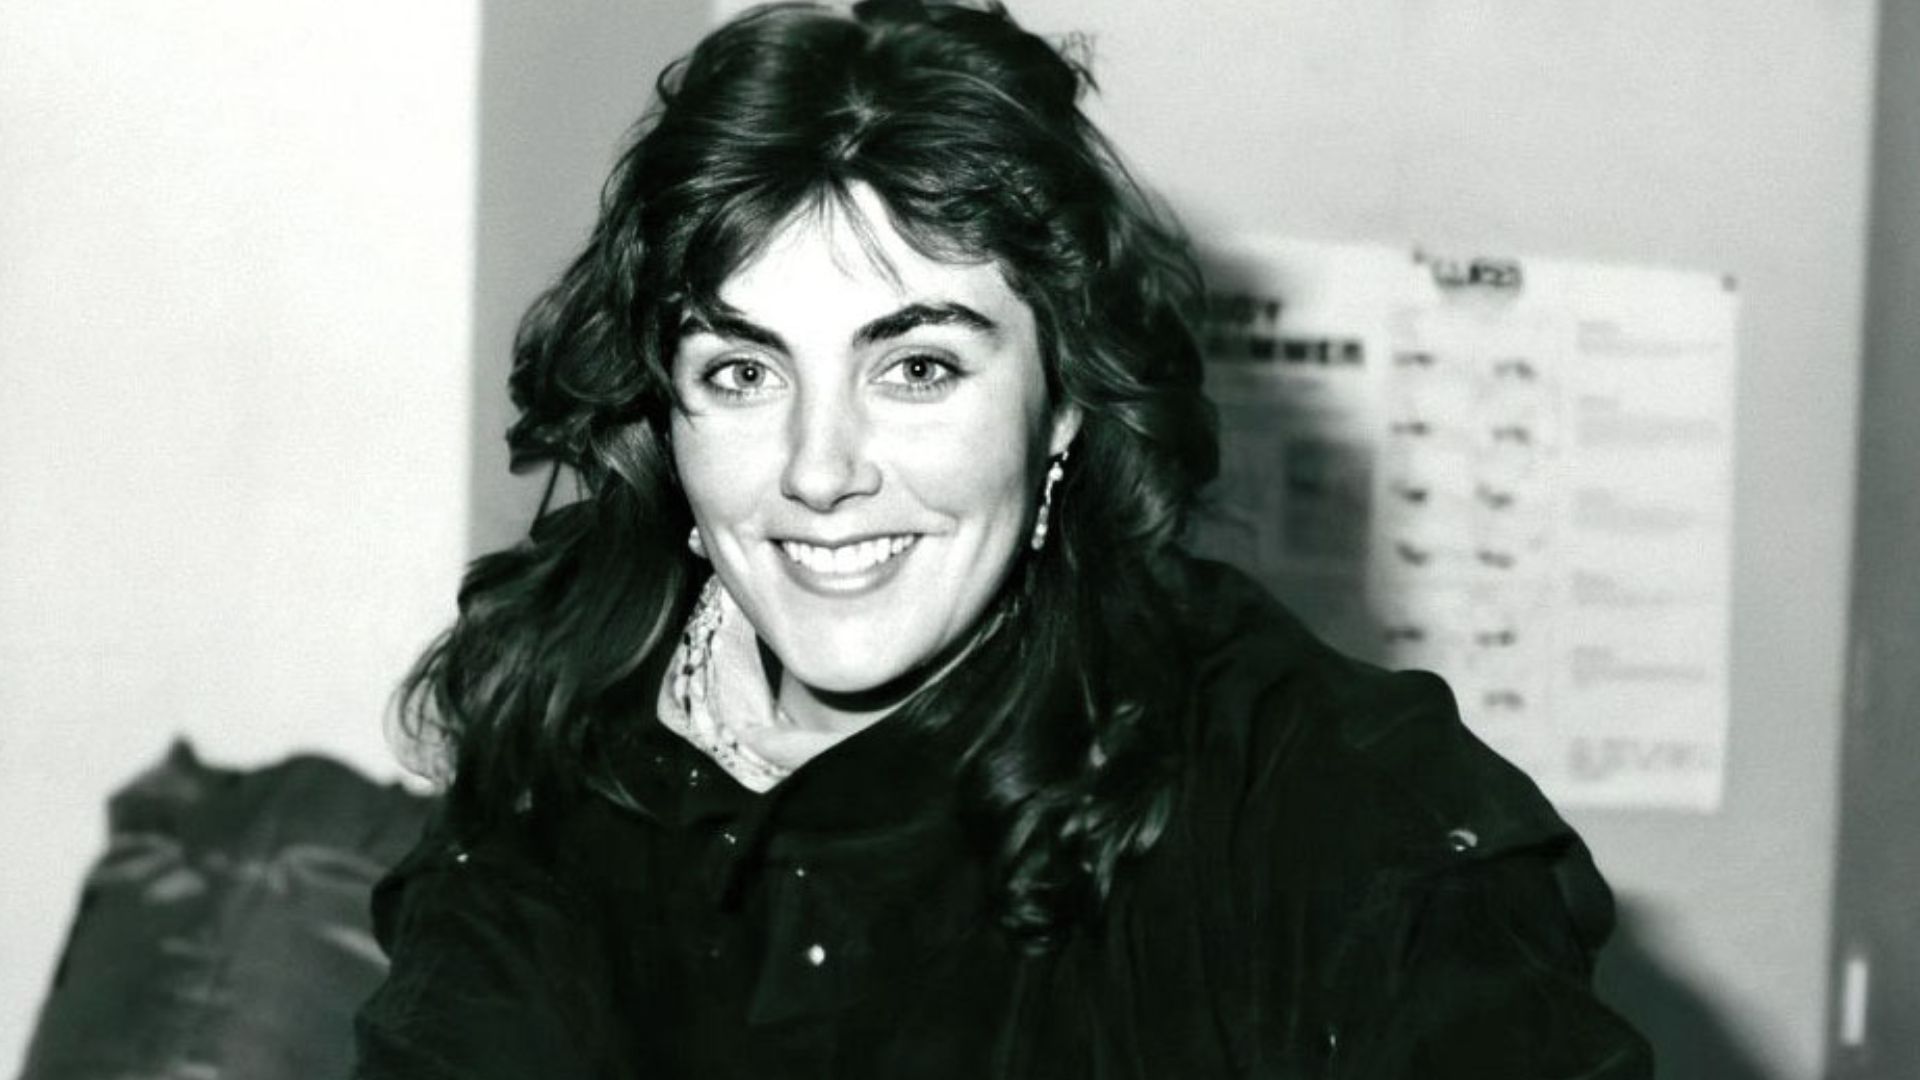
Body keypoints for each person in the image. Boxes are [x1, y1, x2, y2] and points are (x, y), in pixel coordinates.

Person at [353, 2, 1653, 1077]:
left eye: (916, 368)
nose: (819, 473)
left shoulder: (1328, 800)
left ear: (1067, 405)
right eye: (743, 374)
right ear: (665, 409)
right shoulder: (563, 749)